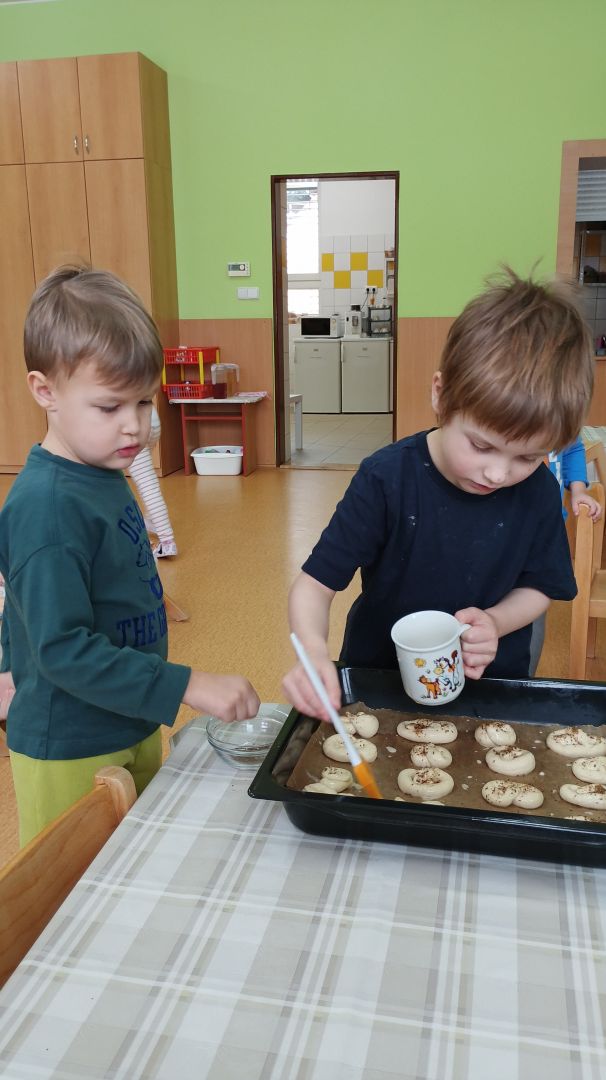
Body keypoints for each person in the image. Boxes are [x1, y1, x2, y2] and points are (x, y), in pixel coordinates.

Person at [0, 265, 259, 845]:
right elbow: (61, 646)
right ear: (45, 391)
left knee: (134, 858)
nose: (135, 427)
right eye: (109, 406)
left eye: (144, 402)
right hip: (71, 743)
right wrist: (187, 684)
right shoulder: (46, 507)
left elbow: (23, 602)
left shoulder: (99, 470)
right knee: (77, 883)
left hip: (129, 716)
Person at [283, 268, 594, 721]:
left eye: (528, 457)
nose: (498, 473)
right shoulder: (386, 479)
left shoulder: (539, 491)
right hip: (379, 685)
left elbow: (542, 586)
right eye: (482, 446)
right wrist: (312, 651)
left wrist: (497, 622)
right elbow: (314, 585)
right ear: (441, 395)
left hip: (490, 688)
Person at [129, 406, 178, 558]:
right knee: (147, 481)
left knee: (144, 483)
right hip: (151, 417)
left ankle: (166, 542)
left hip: (132, 425)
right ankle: (153, 521)